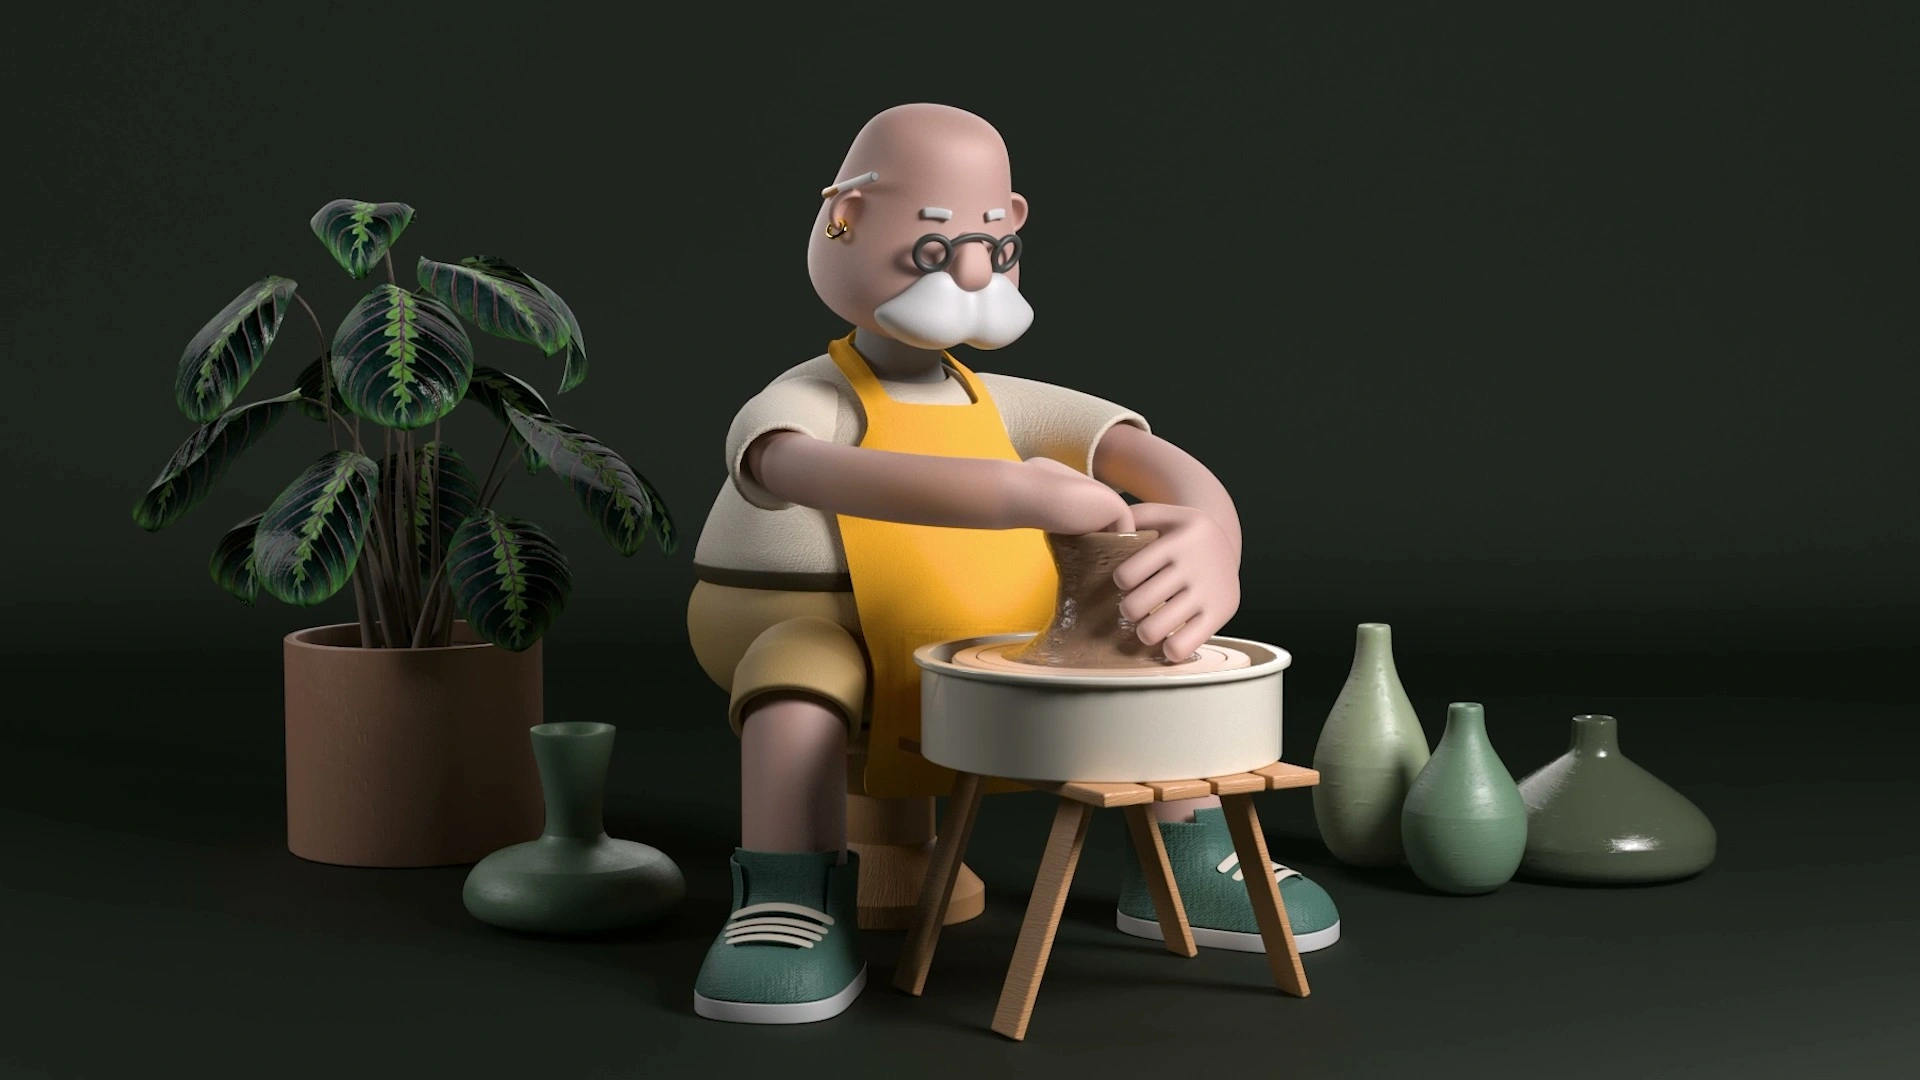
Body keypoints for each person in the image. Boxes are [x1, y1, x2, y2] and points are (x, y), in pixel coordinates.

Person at [685, 103, 1339, 1025]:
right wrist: (1014, 496)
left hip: (994, 641)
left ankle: (1184, 864)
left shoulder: (1005, 401)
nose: (969, 271)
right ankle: (788, 896)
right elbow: (791, 466)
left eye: (993, 245)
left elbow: (1151, 456)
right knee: (797, 695)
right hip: (822, 630)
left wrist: (1215, 540)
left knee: (1154, 646)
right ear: (843, 220)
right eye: (932, 245)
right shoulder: (808, 396)